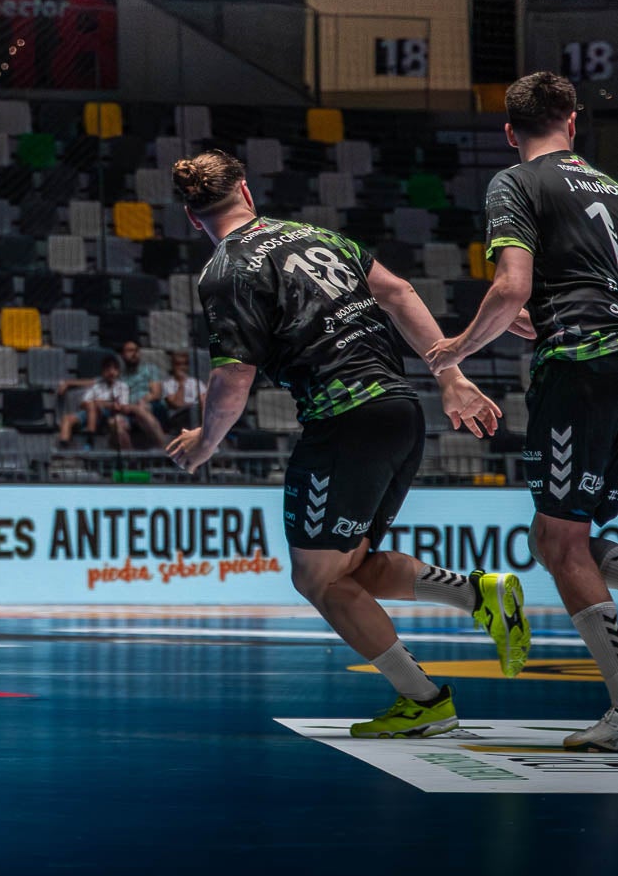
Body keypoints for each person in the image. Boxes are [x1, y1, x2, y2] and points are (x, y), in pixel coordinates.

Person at [164, 150, 530, 739]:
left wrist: (206, 442)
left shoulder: (225, 270)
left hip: (344, 421)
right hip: (400, 412)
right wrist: (450, 374)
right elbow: (399, 291)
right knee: (349, 567)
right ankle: (476, 594)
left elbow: (234, 375)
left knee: (318, 580)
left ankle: (425, 700)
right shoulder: (313, 235)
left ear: (191, 216)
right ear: (247, 192)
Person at [425, 71, 618, 751]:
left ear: (509, 132)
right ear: (572, 120)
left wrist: (454, 350)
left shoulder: (516, 181)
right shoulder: (612, 189)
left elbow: (510, 288)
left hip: (582, 368)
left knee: (557, 542)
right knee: (585, 541)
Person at [57, 354, 133, 450]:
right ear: (102, 371)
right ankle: (63, 452)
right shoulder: (96, 385)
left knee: (99, 410)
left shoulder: (122, 386)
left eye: (114, 369)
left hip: (110, 414)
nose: (111, 372)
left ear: (118, 372)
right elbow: (84, 403)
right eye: (107, 369)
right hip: (91, 413)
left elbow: (121, 407)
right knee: (67, 419)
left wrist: (101, 404)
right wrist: (95, 404)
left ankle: (90, 440)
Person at [153, 350, 207, 435]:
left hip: (197, 413)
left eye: (185, 364)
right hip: (177, 417)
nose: (182, 367)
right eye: (178, 364)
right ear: (173, 366)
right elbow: (176, 404)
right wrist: (182, 384)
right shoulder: (168, 383)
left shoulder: (196, 382)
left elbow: (205, 401)